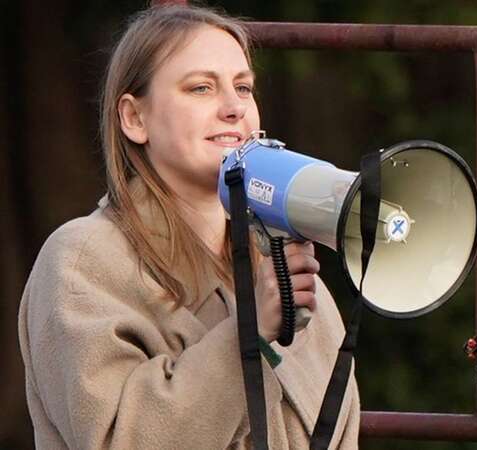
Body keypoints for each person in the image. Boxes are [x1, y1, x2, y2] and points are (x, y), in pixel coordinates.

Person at [17, 4, 359, 449]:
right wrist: (249, 335)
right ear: (134, 118)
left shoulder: (283, 267)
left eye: (243, 87)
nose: (234, 108)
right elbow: (120, 439)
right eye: (201, 88)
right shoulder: (82, 261)